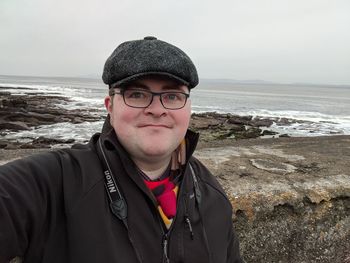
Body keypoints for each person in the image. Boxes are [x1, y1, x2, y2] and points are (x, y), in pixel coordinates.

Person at [0, 36, 242, 263]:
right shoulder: (55, 183)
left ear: (188, 107)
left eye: (171, 96)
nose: (157, 109)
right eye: (136, 94)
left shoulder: (213, 197)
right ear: (110, 106)